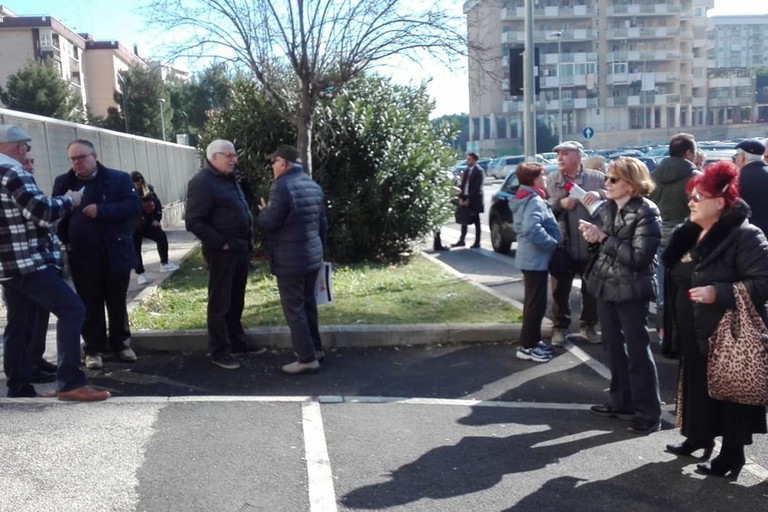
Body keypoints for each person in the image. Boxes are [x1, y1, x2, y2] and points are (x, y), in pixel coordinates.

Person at [662, 161, 768, 479]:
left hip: (729, 329)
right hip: (692, 323)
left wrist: (718, 292)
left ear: (719, 203)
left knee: (731, 391)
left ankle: (732, 455)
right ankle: (698, 436)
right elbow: (674, 279)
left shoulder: (745, 235)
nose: (691, 201)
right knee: (696, 384)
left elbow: (763, 281)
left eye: (699, 196)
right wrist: (669, 321)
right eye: (691, 196)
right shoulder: (690, 232)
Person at [0, 125, 109, 401]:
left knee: (17, 323)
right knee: (72, 309)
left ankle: (19, 386)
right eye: (26, 147)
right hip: (29, 262)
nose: (27, 152)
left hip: (7, 265)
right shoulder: (12, 172)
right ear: (15, 147)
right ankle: (70, 383)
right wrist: (70, 200)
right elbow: (43, 212)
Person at [578, 157, 662, 435]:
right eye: (607, 178)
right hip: (605, 285)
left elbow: (639, 258)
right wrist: (593, 239)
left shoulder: (647, 211)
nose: (607, 184)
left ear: (632, 183)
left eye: (613, 179)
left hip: (632, 288)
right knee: (613, 347)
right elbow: (603, 249)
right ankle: (621, 402)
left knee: (638, 350)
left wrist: (603, 238)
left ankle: (649, 412)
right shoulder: (608, 208)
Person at [52, 139, 142, 370]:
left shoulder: (118, 179)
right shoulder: (64, 182)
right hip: (82, 255)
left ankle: (121, 344)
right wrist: (68, 240)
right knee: (89, 303)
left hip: (115, 251)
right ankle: (93, 349)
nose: (77, 163)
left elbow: (133, 207)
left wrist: (101, 211)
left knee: (116, 301)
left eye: (82, 157)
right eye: (73, 159)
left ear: (94, 156)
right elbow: (57, 216)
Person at [186, 139, 256, 370]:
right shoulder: (202, 182)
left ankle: (237, 342)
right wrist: (222, 243)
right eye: (229, 155)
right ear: (214, 157)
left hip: (240, 249)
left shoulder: (230, 179)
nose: (234, 159)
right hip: (222, 252)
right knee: (220, 303)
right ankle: (219, 350)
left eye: (234, 155)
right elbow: (194, 221)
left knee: (236, 299)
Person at [258, 145, 327, 375]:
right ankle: (316, 349)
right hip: (312, 257)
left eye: (274, 161)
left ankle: (306, 358)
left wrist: (264, 211)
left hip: (290, 260)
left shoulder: (281, 186)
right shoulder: (313, 185)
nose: (271, 166)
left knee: (294, 309)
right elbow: (322, 225)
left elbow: (270, 222)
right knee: (308, 304)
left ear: (283, 163)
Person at [546, 140, 606, 346]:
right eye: (558, 154)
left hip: (591, 244)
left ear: (578, 156)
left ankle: (588, 326)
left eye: (565, 154)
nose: (559, 158)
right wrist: (559, 204)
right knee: (560, 291)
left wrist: (599, 194)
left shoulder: (596, 178)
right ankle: (560, 328)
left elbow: (614, 197)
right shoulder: (552, 180)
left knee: (591, 289)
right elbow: (545, 209)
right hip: (563, 244)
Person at [649, 133, 699, 348]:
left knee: (663, 290)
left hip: (660, 237)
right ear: (688, 153)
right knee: (690, 288)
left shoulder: (653, 176)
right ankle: (688, 335)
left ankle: (664, 334)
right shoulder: (694, 176)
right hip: (687, 240)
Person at [509, 162, 560, 363]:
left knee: (533, 303)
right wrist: (552, 244)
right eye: (543, 175)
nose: (546, 178)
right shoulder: (534, 200)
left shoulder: (524, 197)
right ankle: (527, 346)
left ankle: (532, 341)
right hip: (535, 259)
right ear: (535, 179)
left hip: (529, 258)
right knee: (535, 305)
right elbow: (532, 228)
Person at [131, 171, 179, 285]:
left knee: (161, 237)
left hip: (148, 223)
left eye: (139, 182)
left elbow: (157, 204)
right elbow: (132, 208)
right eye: (134, 183)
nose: (137, 185)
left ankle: (164, 263)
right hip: (134, 225)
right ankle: (140, 274)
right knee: (135, 249)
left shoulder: (149, 190)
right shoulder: (127, 192)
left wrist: (157, 219)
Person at [732, 138, 768, 236]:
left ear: (742, 157)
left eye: (736, 155)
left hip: (751, 237)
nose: (735, 158)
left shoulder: (738, 178)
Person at [452, 152, 484, 248]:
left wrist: (469, 199)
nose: (467, 161)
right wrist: (461, 197)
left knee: (476, 221)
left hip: (475, 199)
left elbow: (476, 187)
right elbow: (463, 185)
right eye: (467, 159)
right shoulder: (466, 171)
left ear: (474, 160)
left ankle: (477, 241)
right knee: (464, 219)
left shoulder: (479, 171)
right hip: (465, 197)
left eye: (469, 159)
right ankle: (462, 240)